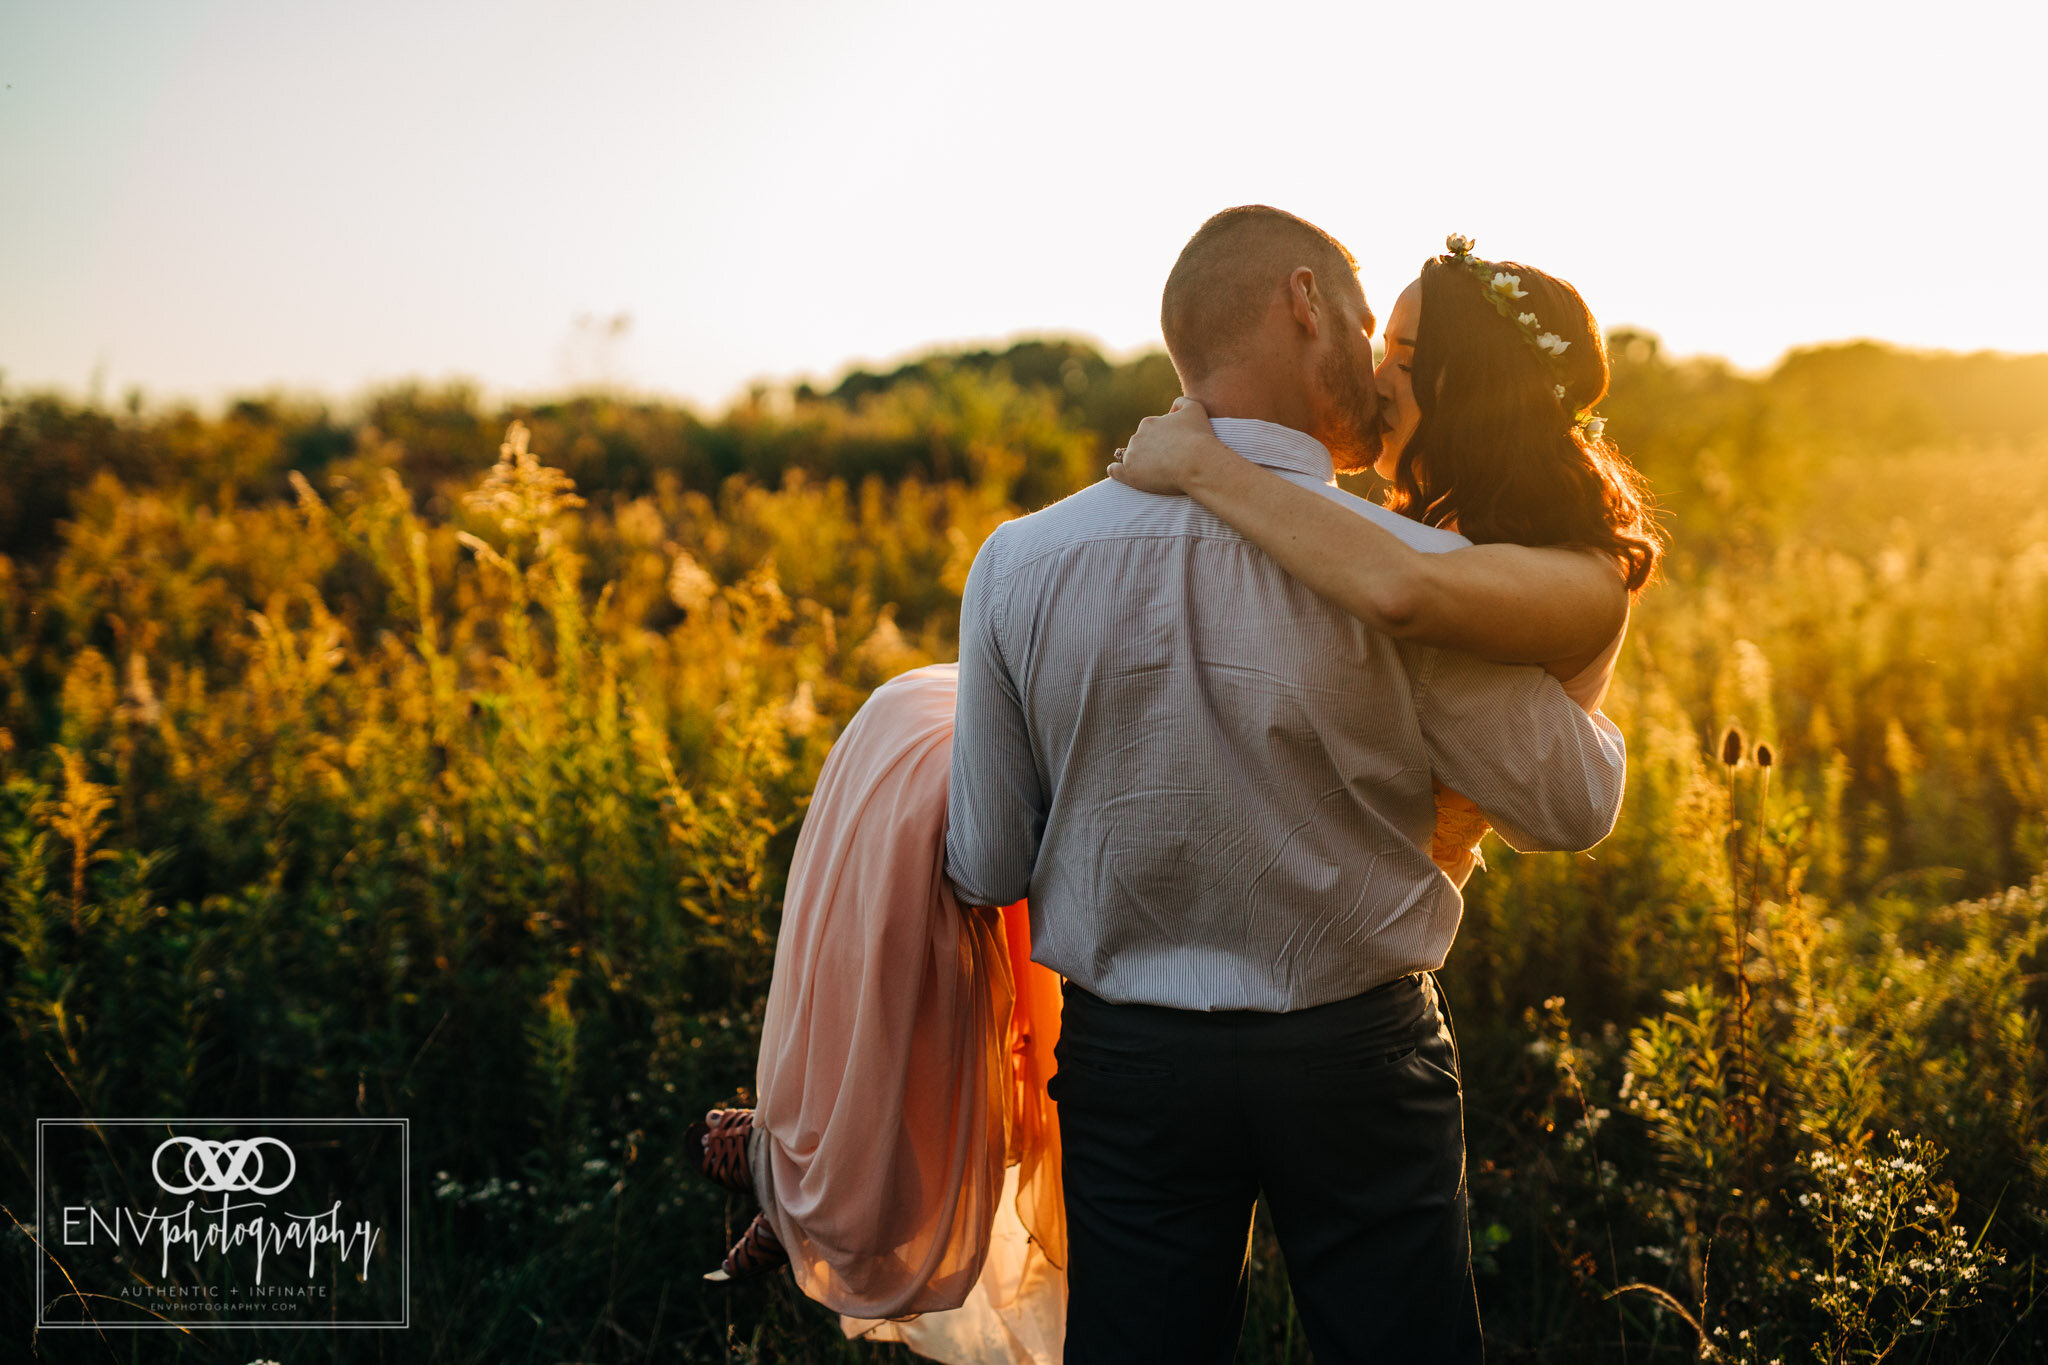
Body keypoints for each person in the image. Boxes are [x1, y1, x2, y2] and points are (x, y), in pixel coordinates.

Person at [686, 211, 1649, 1364]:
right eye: (1359, 326)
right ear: (1303, 306)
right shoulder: (1423, 576)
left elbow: (987, 864)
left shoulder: (1022, 564)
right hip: (1356, 1059)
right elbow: (1569, 808)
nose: (1379, 373)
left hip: (1131, 1071)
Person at [1107, 232, 1664, 887]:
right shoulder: (1424, 525)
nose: (1373, 381)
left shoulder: (1588, 578)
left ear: (1481, 383)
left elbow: (1404, 591)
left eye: (1405, 358)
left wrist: (1203, 464)